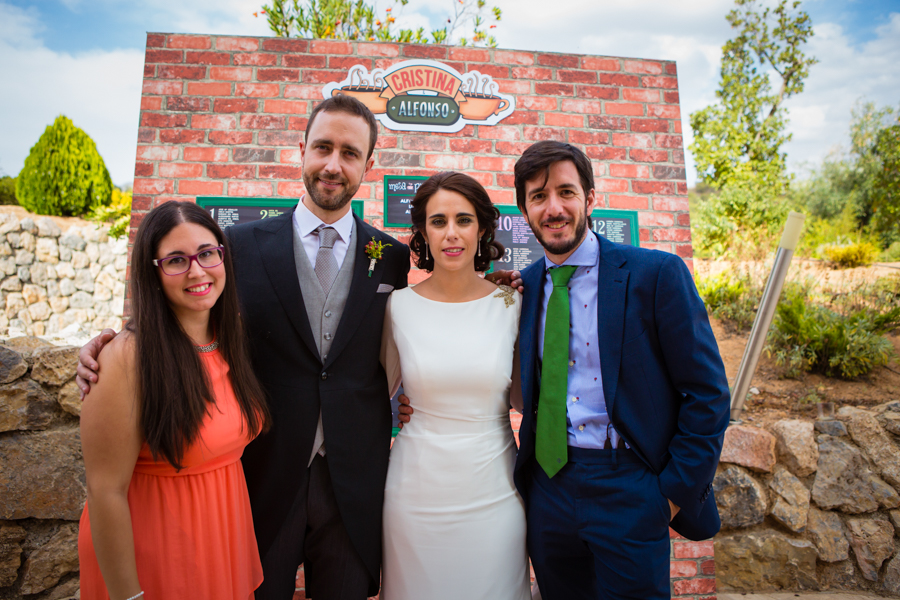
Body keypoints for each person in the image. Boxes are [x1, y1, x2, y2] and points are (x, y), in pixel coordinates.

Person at [77, 95, 411, 600]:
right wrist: (114, 341)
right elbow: (187, 310)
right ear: (301, 150)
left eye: (348, 152)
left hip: (354, 483)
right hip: (259, 476)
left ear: (369, 163)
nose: (332, 164)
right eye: (322, 147)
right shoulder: (237, 245)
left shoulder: (391, 258)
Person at [508, 141, 730, 600]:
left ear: (590, 199)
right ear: (524, 210)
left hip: (631, 485)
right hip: (548, 488)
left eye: (566, 192)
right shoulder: (522, 288)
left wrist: (668, 495)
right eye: (538, 197)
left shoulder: (656, 275)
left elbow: (707, 393)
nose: (553, 208)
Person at [78, 201, 270, 600]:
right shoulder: (129, 357)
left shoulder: (227, 336)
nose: (197, 271)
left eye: (206, 254)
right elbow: (104, 491)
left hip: (220, 539)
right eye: (176, 261)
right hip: (158, 551)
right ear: (154, 272)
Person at [379, 172, 531, 600]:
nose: (451, 234)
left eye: (463, 220)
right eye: (438, 221)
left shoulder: (511, 303)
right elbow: (374, 393)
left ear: (482, 228)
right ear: (423, 231)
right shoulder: (398, 306)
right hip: (415, 495)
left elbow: (526, 396)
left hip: (495, 492)